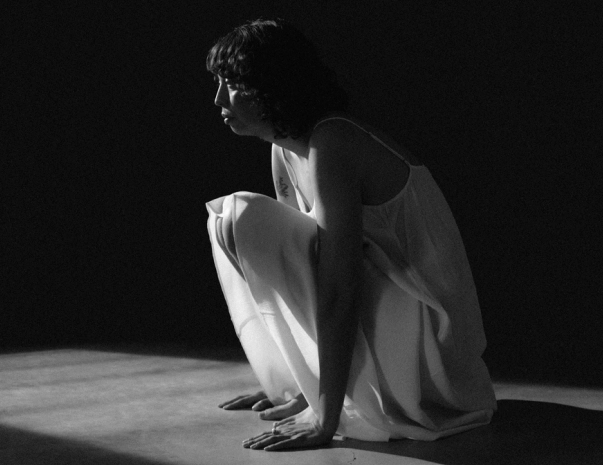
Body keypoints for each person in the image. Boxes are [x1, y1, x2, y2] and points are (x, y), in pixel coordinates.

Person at [205, 18, 496, 452]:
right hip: (390, 317)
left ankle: (332, 397)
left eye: (232, 84)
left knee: (240, 214)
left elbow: (339, 283)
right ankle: (301, 386)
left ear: (270, 86)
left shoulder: (332, 140)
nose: (218, 99)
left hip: (430, 352)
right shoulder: (284, 148)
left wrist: (327, 415)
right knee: (227, 222)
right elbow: (292, 276)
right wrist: (302, 387)